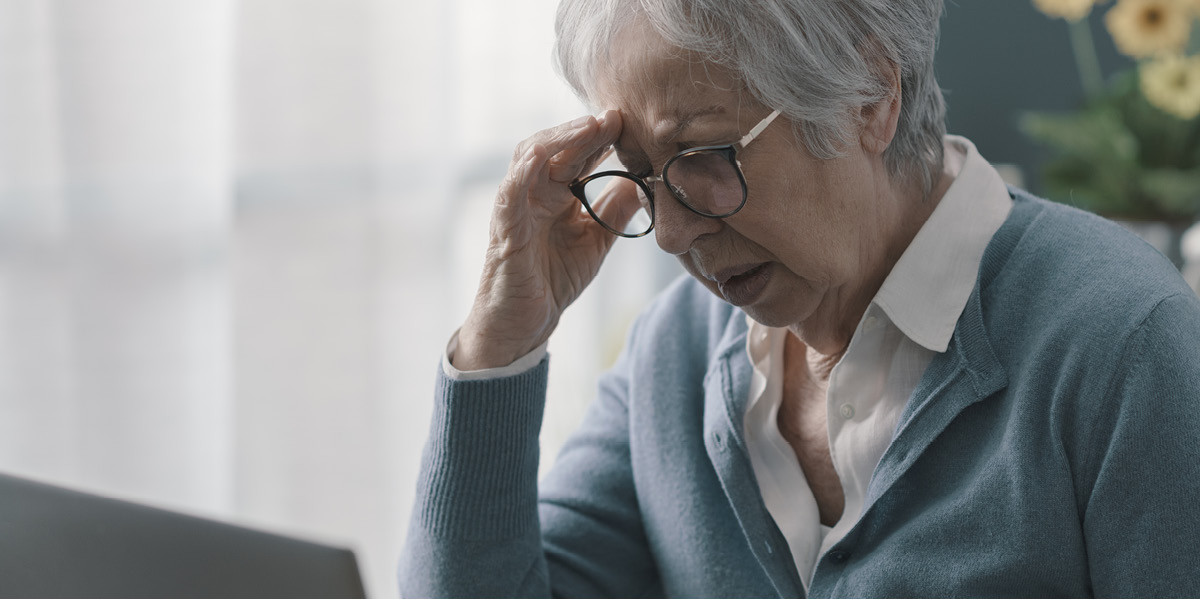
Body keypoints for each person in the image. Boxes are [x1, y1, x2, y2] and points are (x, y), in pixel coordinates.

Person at [401, 0, 1200, 596]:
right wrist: (498, 347)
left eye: (702, 155)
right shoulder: (674, 349)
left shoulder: (1125, 345)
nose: (672, 233)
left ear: (870, 99)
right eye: (640, 174)